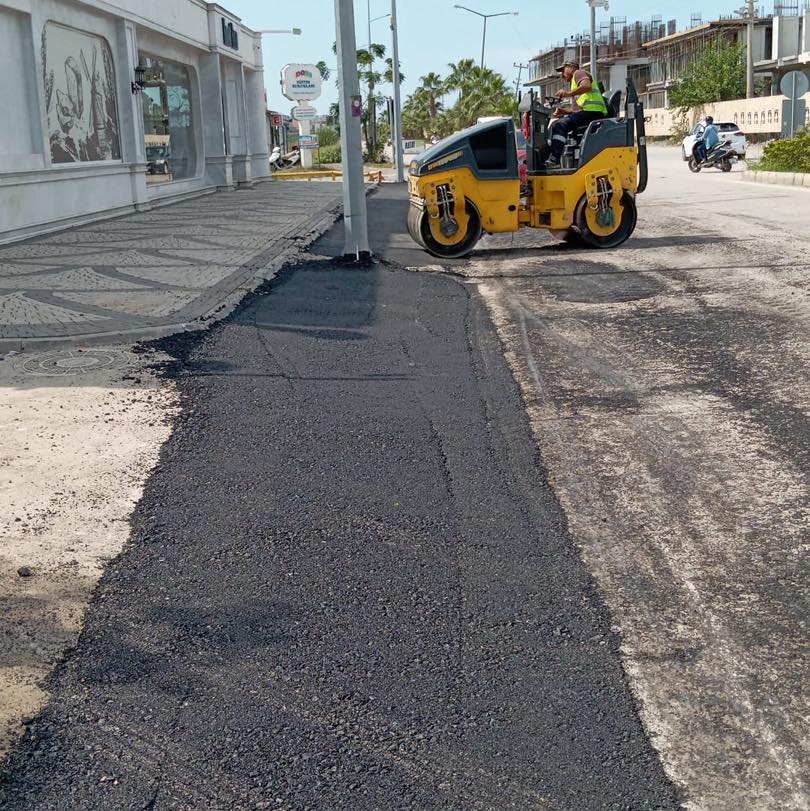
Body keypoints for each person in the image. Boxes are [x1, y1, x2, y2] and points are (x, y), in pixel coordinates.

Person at [545, 60, 608, 169]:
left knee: (560, 125)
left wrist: (567, 94)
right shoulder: (575, 85)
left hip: (593, 112)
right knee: (561, 122)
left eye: (563, 70)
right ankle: (558, 157)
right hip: (589, 112)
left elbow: (587, 85)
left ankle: (554, 159)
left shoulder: (578, 73)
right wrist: (563, 111)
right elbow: (577, 111)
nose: (562, 75)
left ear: (571, 67)